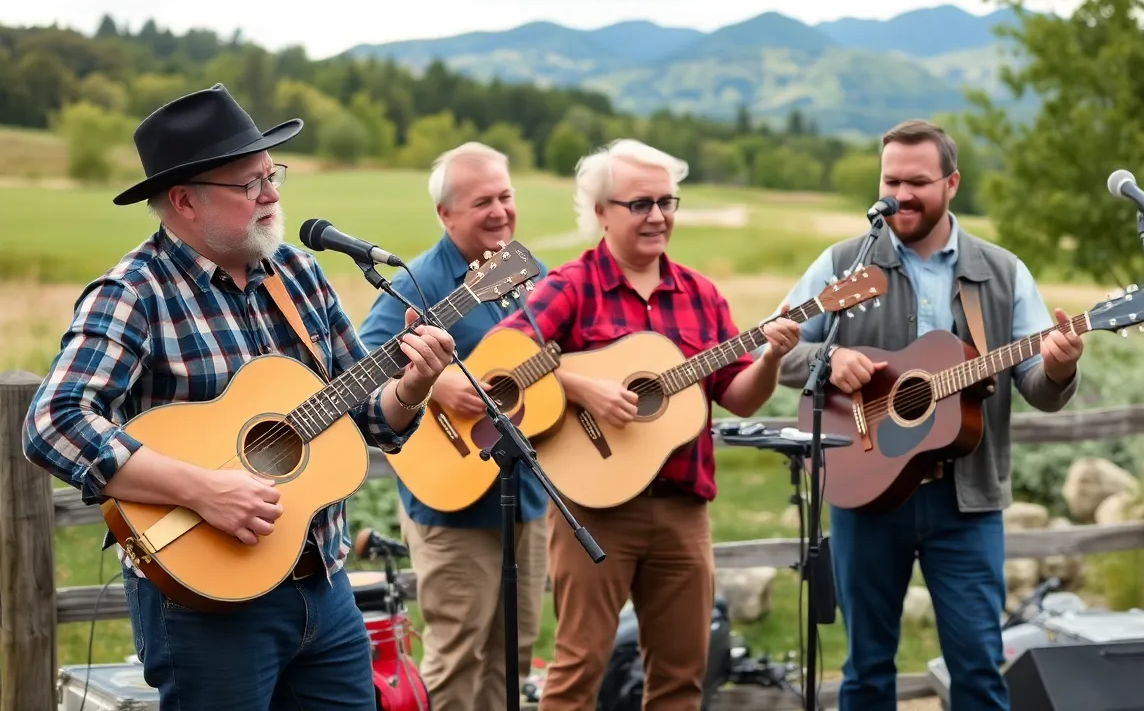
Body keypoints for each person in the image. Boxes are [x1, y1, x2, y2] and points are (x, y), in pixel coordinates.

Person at [21, 83, 455, 711]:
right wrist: (201, 489)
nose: (272, 195)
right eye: (248, 184)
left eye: (271, 175)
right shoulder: (134, 294)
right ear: (184, 201)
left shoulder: (300, 276)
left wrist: (412, 387)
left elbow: (369, 419)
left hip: (325, 586)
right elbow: (52, 423)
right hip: (209, 603)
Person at [775, 119, 1085, 711]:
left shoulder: (1001, 271)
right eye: (891, 180)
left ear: (952, 183)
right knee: (866, 670)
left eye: (917, 181)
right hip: (865, 491)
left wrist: (1061, 366)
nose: (900, 194)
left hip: (966, 503)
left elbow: (1037, 387)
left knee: (977, 670)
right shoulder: (844, 262)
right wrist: (830, 355)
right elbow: (780, 343)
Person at [493, 138, 802, 711]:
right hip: (594, 507)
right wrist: (582, 385)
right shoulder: (572, 285)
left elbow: (738, 397)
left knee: (682, 677)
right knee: (577, 670)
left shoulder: (701, 295)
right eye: (640, 203)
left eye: (667, 201)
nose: (658, 216)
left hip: (684, 509)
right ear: (602, 212)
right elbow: (504, 355)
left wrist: (771, 358)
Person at [358, 142, 549, 711]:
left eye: (506, 196)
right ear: (445, 214)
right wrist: (439, 384)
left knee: (514, 651)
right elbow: (365, 360)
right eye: (482, 201)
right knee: (458, 653)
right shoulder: (417, 282)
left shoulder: (522, 275)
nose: (499, 211)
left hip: (526, 496)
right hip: (451, 502)